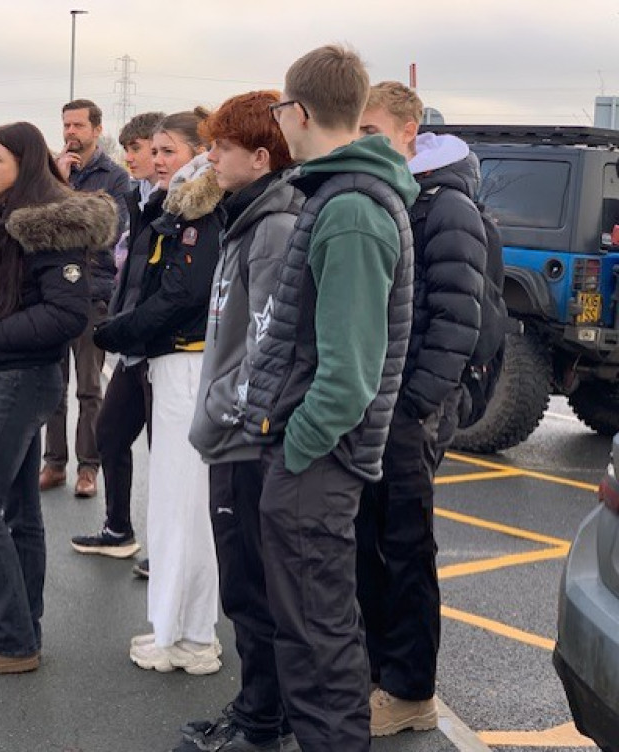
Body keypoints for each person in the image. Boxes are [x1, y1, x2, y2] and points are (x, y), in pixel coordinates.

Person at [244, 45, 417, 751]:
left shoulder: (349, 209)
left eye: (280, 108)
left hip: (318, 462)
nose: (279, 120)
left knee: (318, 635)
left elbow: (349, 376)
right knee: (309, 628)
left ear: (300, 112)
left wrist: (298, 447)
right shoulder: (340, 197)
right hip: (313, 459)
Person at [0, 122, 117, 675]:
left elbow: (67, 314)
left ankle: (10, 639)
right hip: (5, 375)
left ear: (25, 163)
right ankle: (24, 629)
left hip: (22, 379)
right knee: (19, 510)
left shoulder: (48, 226)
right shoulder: (2, 217)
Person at [356, 81, 485, 737]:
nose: (361, 142)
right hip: (376, 400)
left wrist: (414, 406)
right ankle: (378, 673)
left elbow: (457, 318)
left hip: (408, 409)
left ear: (410, 131)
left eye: (372, 131)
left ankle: (410, 692)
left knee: (404, 548)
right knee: (369, 544)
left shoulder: (445, 204)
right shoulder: (390, 195)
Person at [180, 91, 302, 752]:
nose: (211, 158)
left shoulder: (274, 227)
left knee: (251, 590)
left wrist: (222, 413)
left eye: (222, 148)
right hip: (235, 435)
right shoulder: (248, 217)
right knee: (248, 588)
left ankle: (261, 725)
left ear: (260, 157)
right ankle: (260, 710)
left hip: (247, 441)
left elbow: (268, 346)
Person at [94, 109, 223, 676]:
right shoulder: (174, 207)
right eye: (158, 150)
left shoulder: (202, 212)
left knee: (184, 509)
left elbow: (181, 295)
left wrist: (117, 332)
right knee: (175, 507)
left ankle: (191, 636)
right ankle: (177, 629)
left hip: (188, 365)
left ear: (200, 153)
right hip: (171, 364)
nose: (159, 160)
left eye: (171, 151)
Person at [70, 111, 165, 563]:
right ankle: (118, 530)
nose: (135, 157)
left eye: (143, 149)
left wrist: (127, 325)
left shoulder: (174, 204)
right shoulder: (141, 198)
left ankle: (169, 554)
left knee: (165, 454)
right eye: (131, 149)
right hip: (132, 345)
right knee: (110, 432)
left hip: (162, 347)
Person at [39, 99, 131, 498]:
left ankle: (88, 467)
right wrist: (58, 182)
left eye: (78, 125)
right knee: (52, 386)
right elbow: (38, 226)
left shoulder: (115, 177)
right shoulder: (52, 172)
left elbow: (108, 230)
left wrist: (63, 217)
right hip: (51, 294)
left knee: (90, 388)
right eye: (66, 125)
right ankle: (54, 463)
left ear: (96, 129)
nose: (70, 132)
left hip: (93, 293)